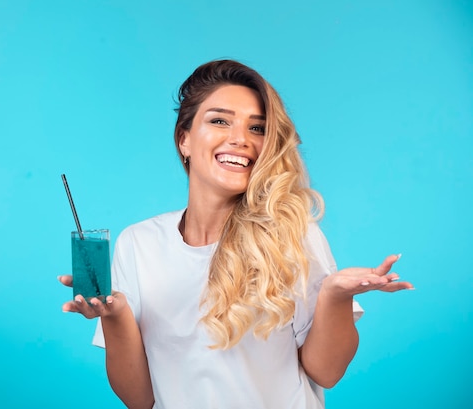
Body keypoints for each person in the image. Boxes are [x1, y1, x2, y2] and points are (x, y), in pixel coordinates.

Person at [58, 59, 413, 409]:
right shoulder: (139, 243)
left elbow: (327, 372)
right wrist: (115, 315)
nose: (240, 139)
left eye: (257, 128)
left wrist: (334, 296)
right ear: (184, 139)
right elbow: (139, 399)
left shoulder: (293, 234)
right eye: (219, 121)